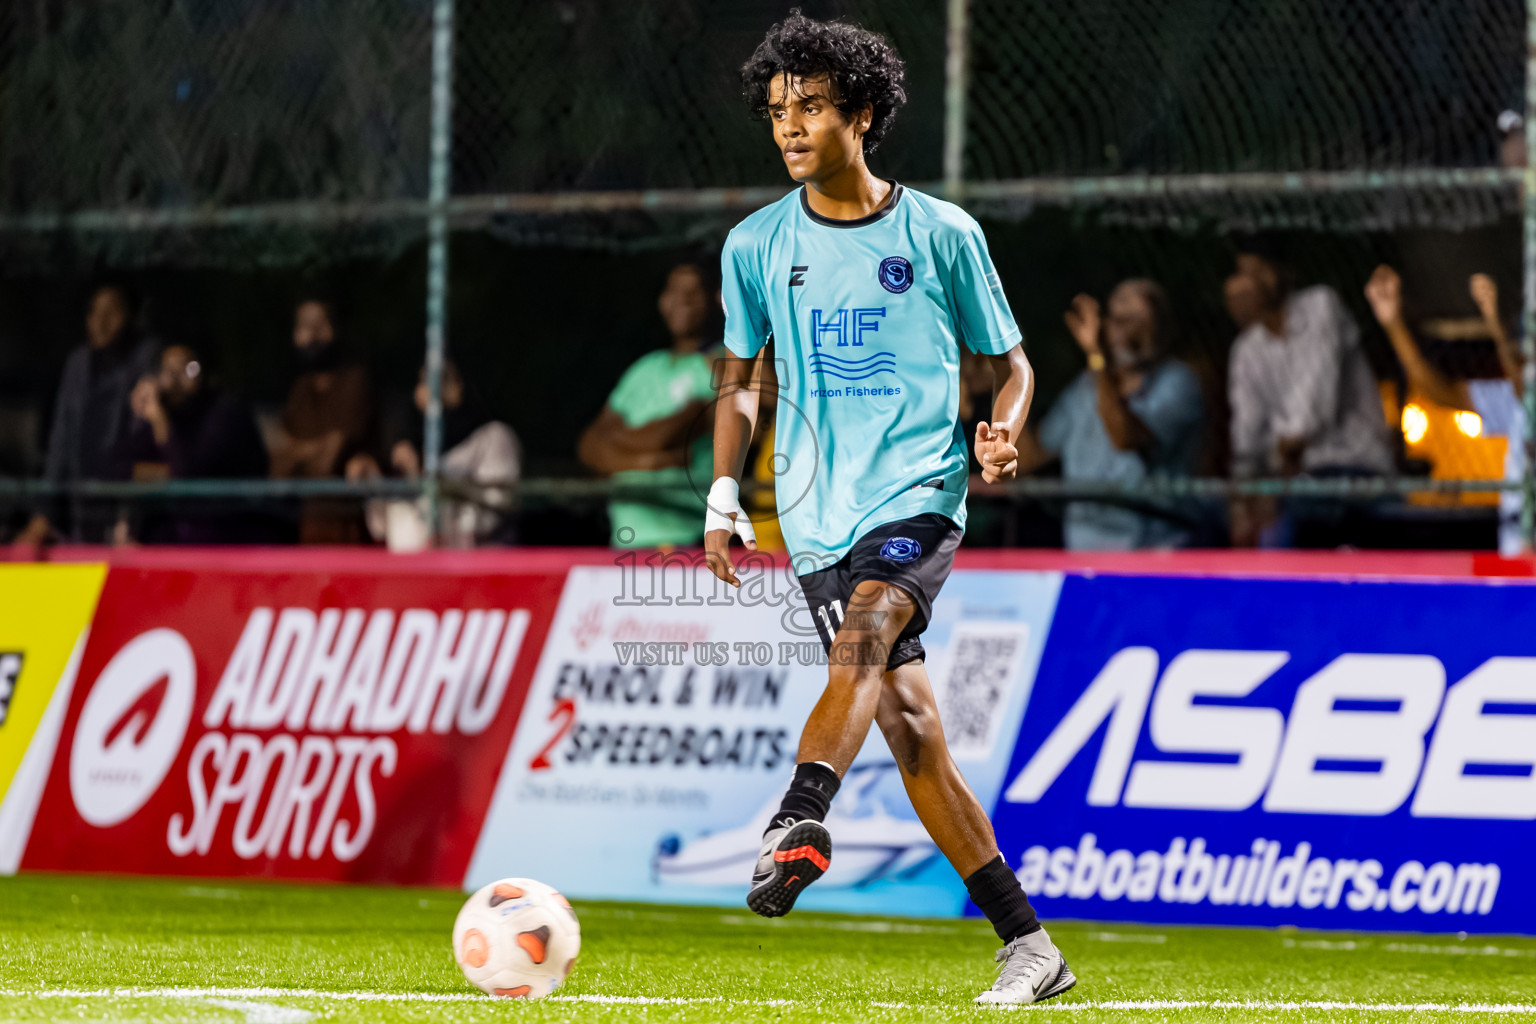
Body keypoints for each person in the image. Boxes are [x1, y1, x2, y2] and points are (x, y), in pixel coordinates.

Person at [703, 12, 1072, 1006]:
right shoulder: (754, 246)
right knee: (911, 729)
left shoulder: (940, 233)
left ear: (862, 114)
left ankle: (798, 814)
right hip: (816, 513)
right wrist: (724, 493)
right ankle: (1028, 942)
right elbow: (741, 380)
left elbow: (1014, 366)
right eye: (779, 111)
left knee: (870, 623)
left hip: (921, 490)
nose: (789, 127)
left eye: (812, 108)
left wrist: (1003, 428)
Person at [1225, 239, 1394, 547]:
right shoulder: (1246, 350)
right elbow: (1246, 436)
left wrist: (1271, 484)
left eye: (1249, 274)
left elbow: (1312, 416)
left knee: (1283, 519)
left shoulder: (1321, 306)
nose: (1236, 287)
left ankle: (1284, 592)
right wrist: (1243, 500)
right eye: (1237, 275)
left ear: (1271, 277)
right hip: (1294, 480)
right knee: (1220, 518)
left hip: (1353, 466)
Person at [1015, 280, 1205, 549]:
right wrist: (1011, 373)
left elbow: (1125, 437)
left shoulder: (1178, 382)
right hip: (1084, 556)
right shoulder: (1085, 386)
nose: (1125, 332)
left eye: (1136, 320)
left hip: (1156, 553)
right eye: (1117, 320)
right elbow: (1027, 458)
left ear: (1163, 330)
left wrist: (1097, 356)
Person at [1366, 264, 1524, 556]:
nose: (1519, 369)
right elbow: (1436, 391)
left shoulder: (1520, 394)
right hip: (1517, 563)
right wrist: (1393, 323)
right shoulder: (1513, 402)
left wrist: (1498, 332)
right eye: (1519, 358)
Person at [577, 261, 719, 549]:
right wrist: (649, 462)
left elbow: (669, 434)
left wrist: (619, 443)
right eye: (674, 291)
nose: (683, 301)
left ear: (715, 299)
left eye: (694, 292)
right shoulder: (644, 369)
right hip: (624, 541)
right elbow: (589, 446)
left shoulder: (721, 365)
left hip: (686, 539)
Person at [17, 283, 158, 545]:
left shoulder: (148, 359)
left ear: (133, 317)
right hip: (80, 515)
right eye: (94, 312)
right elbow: (60, 443)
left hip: (129, 523)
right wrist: (42, 515)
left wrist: (131, 520)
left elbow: (153, 454)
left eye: (112, 312)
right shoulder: (78, 364)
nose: (101, 321)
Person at [348, 359, 520, 550]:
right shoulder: (410, 448)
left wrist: (431, 488)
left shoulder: (494, 437)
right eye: (424, 380)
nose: (433, 388)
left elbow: (489, 515)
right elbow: (380, 527)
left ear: (462, 386)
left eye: (444, 379)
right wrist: (381, 481)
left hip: (481, 567)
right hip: (418, 573)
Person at [118, 344, 272, 543]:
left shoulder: (226, 413)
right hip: (174, 536)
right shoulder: (163, 408)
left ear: (205, 372)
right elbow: (119, 470)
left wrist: (160, 424)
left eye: (189, 369)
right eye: (169, 371)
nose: (177, 379)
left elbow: (187, 475)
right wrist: (137, 417)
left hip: (229, 535)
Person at [268, 297, 377, 543]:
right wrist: (305, 452)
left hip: (349, 529)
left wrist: (294, 452)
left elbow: (326, 462)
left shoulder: (355, 381)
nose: (313, 335)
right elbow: (278, 471)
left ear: (337, 329)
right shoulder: (299, 390)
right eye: (304, 326)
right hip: (306, 530)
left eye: (321, 324)